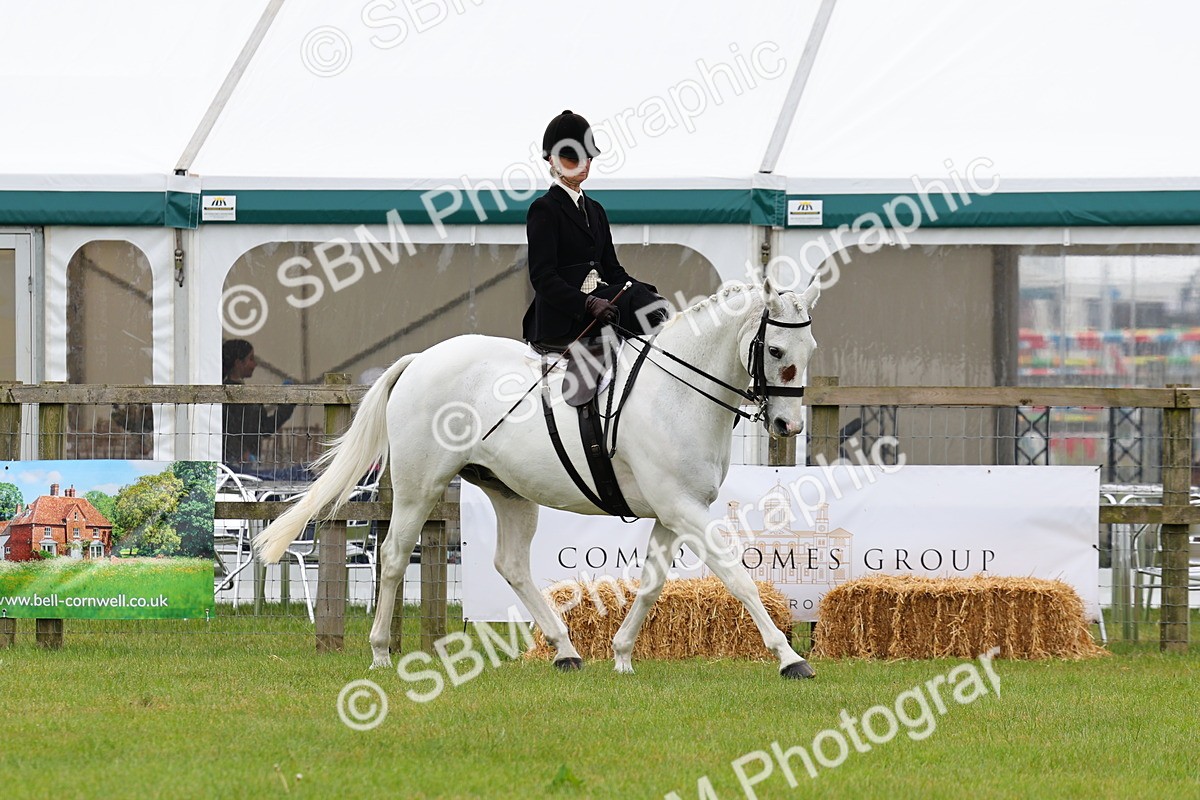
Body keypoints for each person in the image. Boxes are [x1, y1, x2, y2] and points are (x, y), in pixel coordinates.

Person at [522, 109, 667, 349]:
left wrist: (645, 291)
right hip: (565, 315)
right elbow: (543, 277)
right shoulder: (544, 209)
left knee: (647, 299)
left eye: (588, 157)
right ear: (552, 160)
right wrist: (587, 303)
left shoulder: (595, 210)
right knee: (634, 299)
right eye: (573, 158)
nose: (583, 164)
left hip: (602, 307)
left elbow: (613, 270)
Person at [222, 339, 296, 472]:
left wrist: (287, 404)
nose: (255, 364)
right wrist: (241, 452)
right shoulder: (224, 394)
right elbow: (223, 430)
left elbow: (265, 428)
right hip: (232, 466)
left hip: (248, 463)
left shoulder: (250, 395)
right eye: (251, 359)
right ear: (239, 363)